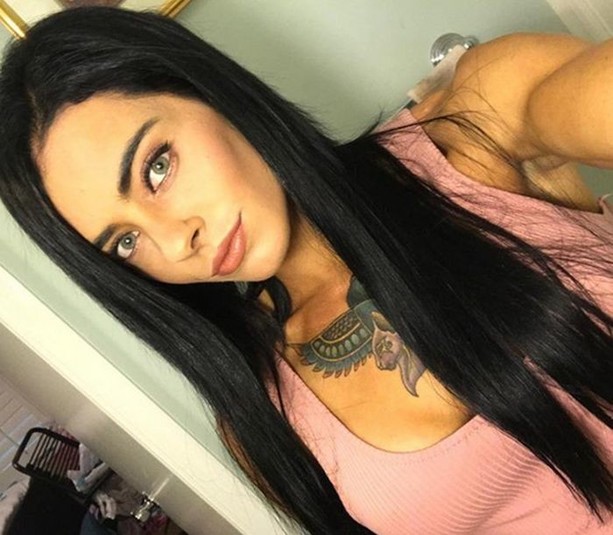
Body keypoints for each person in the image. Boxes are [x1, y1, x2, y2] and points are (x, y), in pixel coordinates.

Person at [0, 7, 611, 534]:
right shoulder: (262, 419)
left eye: (156, 167)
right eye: (126, 241)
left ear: (208, 91)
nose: (176, 240)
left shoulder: (475, 131)